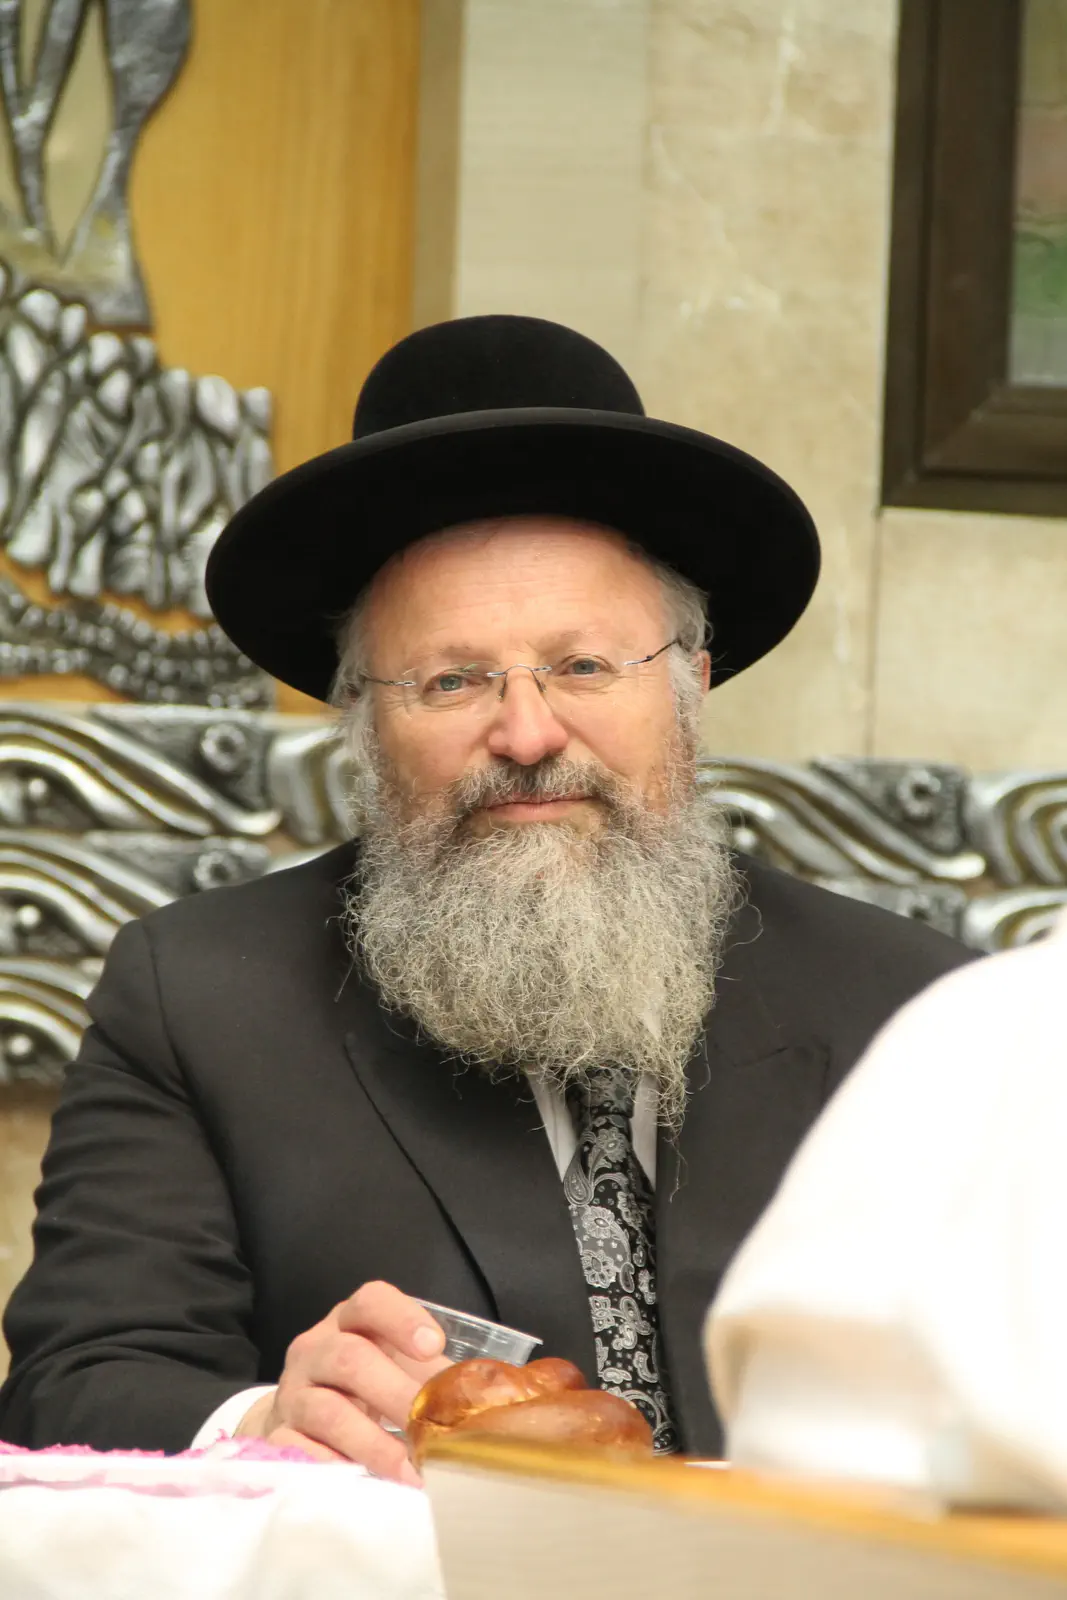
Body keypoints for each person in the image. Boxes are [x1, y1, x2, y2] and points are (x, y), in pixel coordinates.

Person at [0, 314, 970, 1479]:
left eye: (581, 665)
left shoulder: (916, 1009)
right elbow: (79, 1375)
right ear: (363, 721)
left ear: (691, 684)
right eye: (451, 680)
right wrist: (264, 1420)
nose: (525, 733)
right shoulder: (199, 997)